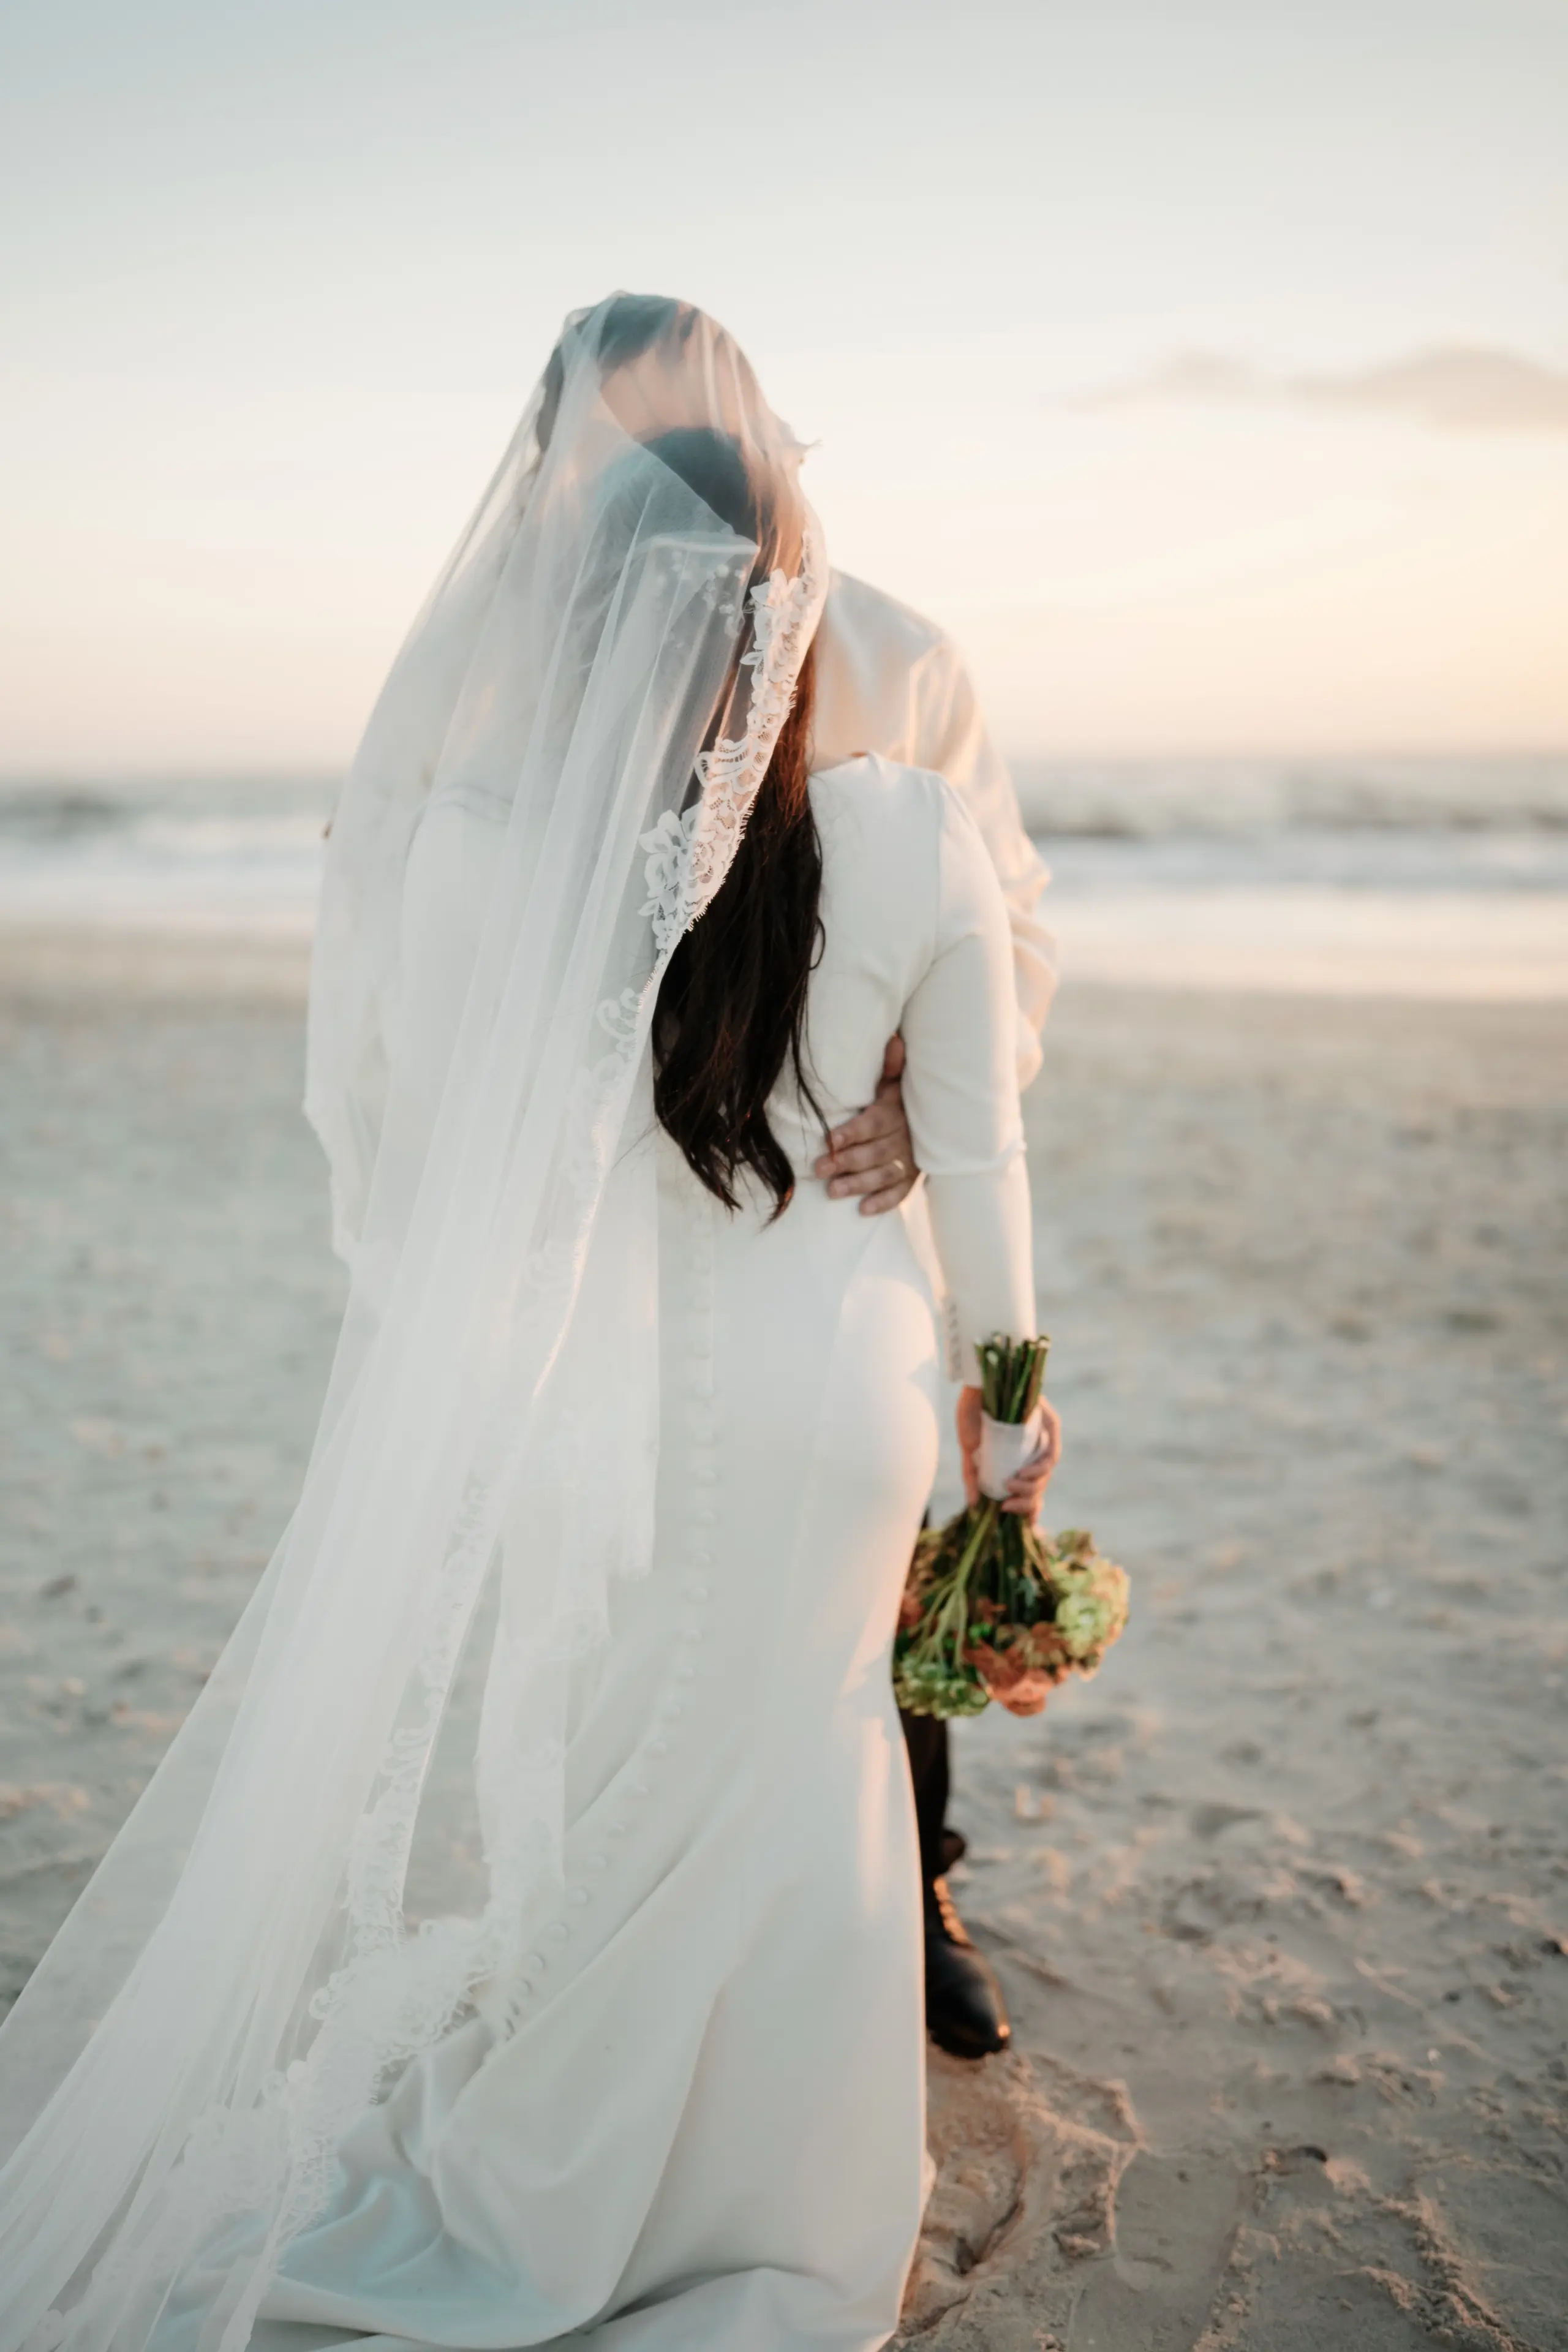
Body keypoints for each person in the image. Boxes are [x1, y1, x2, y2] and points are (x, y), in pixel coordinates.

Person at [0, 296, 1060, 2352]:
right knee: (755, 1733)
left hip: (746, 1280)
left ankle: (792, 2015)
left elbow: (1000, 939)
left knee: (714, 1733)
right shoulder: (548, 698)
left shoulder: (893, 661)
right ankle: (785, 2158)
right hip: (800, 1322)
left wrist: (927, 1099)